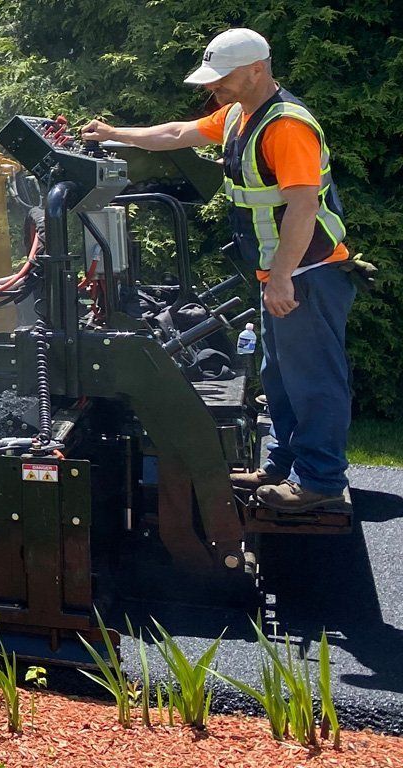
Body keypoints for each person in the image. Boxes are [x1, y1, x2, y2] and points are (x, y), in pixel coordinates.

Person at [81, 28, 356, 513]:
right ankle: (283, 466)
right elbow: (176, 134)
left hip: (307, 273)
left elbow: (302, 208)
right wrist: (113, 134)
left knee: (313, 379)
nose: (213, 89)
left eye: (222, 79)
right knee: (280, 376)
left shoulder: (286, 126)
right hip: (281, 274)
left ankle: (319, 480)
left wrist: (285, 276)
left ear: (257, 69)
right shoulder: (237, 114)